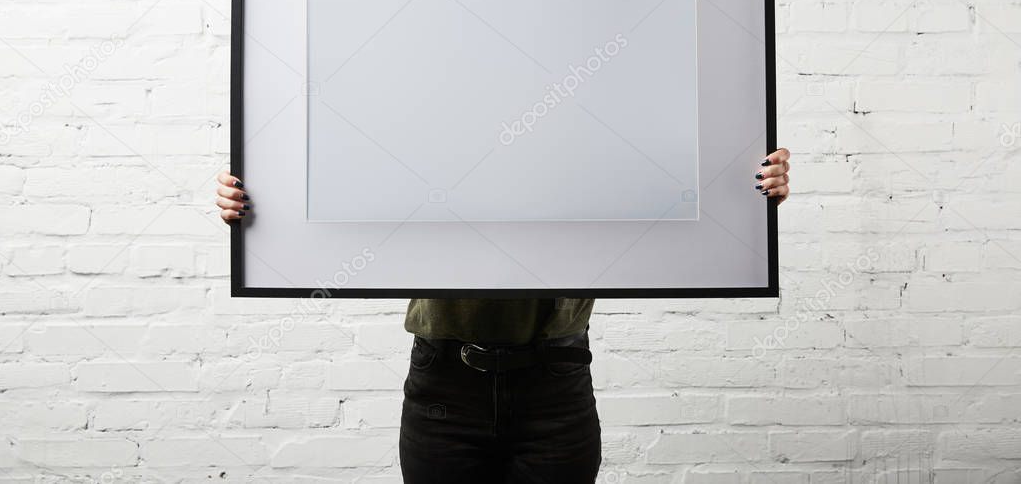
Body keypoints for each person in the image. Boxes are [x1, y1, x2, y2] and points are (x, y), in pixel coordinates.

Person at [216, 149, 791, 483]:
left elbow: (678, 178)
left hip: (554, 385)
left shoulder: (594, 134)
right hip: (445, 385)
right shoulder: (421, 130)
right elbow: (337, 169)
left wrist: (748, 186)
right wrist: (255, 196)